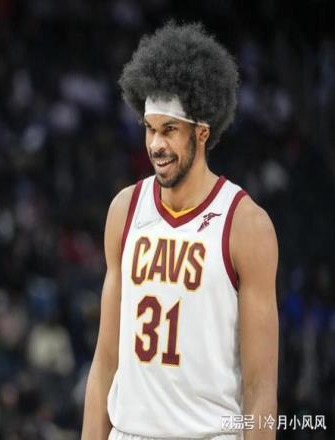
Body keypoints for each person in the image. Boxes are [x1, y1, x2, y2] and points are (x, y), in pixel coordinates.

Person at [82, 21, 278, 440]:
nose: (156, 144)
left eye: (169, 130)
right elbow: (105, 362)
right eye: (150, 128)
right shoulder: (125, 210)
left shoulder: (246, 226)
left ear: (201, 133)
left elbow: (261, 388)